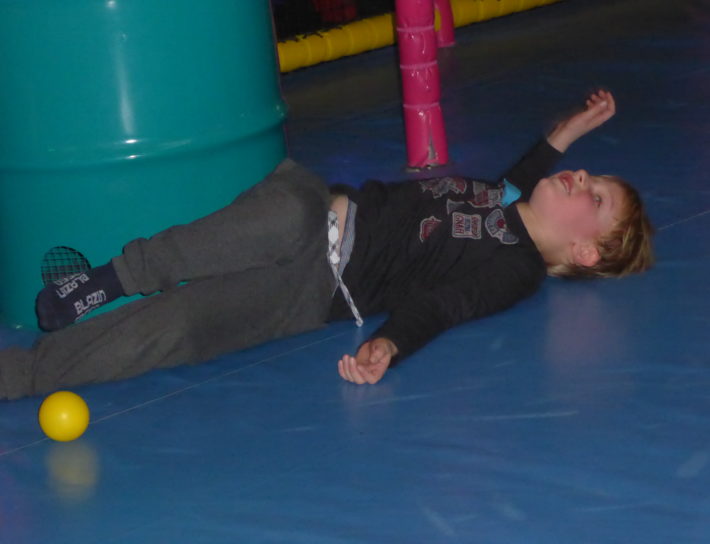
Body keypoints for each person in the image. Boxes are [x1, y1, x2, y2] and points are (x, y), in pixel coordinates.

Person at [0, 90, 653, 400]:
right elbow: (531, 169)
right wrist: (570, 131)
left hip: (314, 290)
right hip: (316, 208)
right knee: (282, 217)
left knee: (183, 326)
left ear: (585, 253)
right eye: (589, 174)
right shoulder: (504, 196)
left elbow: (445, 306)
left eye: (594, 197)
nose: (581, 177)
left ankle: (24, 374)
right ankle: (113, 277)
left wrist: (389, 346)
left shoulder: (514, 269)